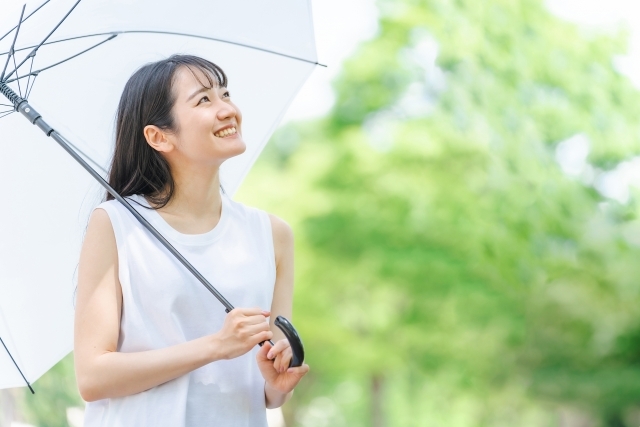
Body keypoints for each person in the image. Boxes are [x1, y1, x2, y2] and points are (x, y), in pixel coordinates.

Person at [73, 54, 309, 426]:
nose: (227, 109)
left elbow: (271, 392)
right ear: (158, 136)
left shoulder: (273, 234)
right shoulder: (116, 225)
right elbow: (92, 377)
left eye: (225, 94)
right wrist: (214, 346)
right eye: (204, 100)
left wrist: (279, 382)